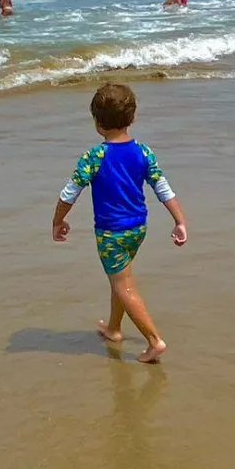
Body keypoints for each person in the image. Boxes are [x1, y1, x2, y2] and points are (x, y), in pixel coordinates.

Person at [52, 82, 188, 364]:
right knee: (120, 280)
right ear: (132, 118)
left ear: (97, 123)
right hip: (138, 228)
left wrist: (58, 220)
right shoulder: (143, 152)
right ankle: (114, 329)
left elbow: (70, 192)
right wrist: (180, 221)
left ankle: (154, 341)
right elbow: (162, 187)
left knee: (123, 286)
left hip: (111, 233)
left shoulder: (94, 157)